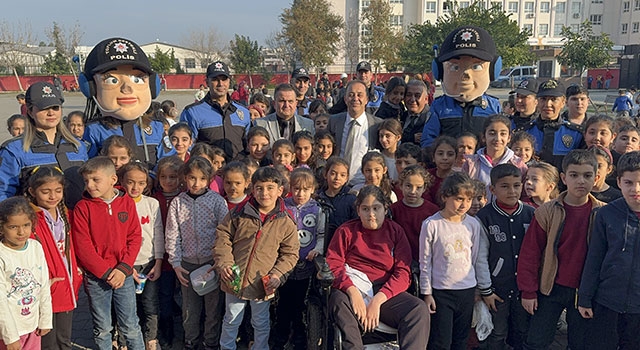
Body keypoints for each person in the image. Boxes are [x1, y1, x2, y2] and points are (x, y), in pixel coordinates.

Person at [516, 150, 605, 350]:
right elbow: (530, 253)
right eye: (574, 175)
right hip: (550, 287)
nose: (580, 181)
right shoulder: (546, 211)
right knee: (536, 340)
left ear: (596, 178)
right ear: (564, 178)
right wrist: (528, 291)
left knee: (580, 342)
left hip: (584, 291)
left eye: (587, 175)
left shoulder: (603, 213)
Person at [327, 185, 430, 350]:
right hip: (354, 287)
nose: (371, 214)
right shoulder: (346, 231)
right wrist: (352, 291)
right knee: (337, 299)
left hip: (384, 291)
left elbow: (403, 272)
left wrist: (378, 300)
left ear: (385, 208)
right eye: (365, 209)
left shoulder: (395, 231)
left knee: (418, 309)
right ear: (358, 210)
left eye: (376, 208)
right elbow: (333, 263)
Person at [213, 166, 299, 350]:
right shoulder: (239, 212)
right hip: (234, 277)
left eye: (270, 188)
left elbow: (290, 254)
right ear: (252, 189)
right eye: (259, 188)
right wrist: (225, 263)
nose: (264, 193)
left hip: (263, 282)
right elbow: (223, 236)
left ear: (280, 190)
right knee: (231, 319)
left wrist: (277, 275)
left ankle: (260, 347)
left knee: (260, 322)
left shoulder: (285, 221)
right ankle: (226, 347)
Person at [71, 156, 144, 350]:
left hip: (124, 275)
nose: (90, 185)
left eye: (96, 179)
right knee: (103, 328)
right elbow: (82, 246)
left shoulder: (126, 202)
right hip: (97, 278)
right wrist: (105, 272)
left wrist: (123, 268)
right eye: (86, 181)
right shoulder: (82, 208)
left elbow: (135, 237)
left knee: (130, 325)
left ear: (113, 180)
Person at [578, 151, 640, 350]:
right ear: (619, 181)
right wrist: (585, 298)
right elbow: (594, 258)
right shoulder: (606, 214)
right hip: (608, 301)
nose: (635, 189)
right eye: (629, 182)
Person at [165, 156, 228, 350]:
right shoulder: (177, 203)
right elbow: (172, 234)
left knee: (213, 308)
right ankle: (190, 341)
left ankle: (210, 341)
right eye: (192, 178)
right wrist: (176, 264)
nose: (196, 183)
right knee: (190, 309)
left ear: (210, 179)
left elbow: (224, 234)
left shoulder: (217, 202)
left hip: (211, 263)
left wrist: (219, 261)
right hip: (187, 264)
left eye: (202, 178)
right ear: (185, 177)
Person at [82, 38, 170, 168]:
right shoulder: (94, 130)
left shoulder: (156, 128)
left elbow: (169, 163)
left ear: (152, 85)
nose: (127, 88)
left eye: (137, 78)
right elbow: (87, 168)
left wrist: (152, 178)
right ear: (91, 88)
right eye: (112, 80)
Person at [0, 81, 88, 209]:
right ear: (30, 111)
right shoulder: (14, 149)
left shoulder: (78, 146)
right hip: (37, 223)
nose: (51, 113)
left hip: (78, 222)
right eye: (44, 108)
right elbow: (4, 193)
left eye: (55, 107)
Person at [419, 172, 482, 350]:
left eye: (469, 200)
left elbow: (474, 257)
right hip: (441, 292)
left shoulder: (473, 224)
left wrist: (476, 289)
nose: (464, 205)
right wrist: (427, 292)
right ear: (445, 196)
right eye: (459, 198)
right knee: (441, 341)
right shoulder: (431, 224)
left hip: (466, 291)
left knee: (461, 340)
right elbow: (425, 261)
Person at [475, 164, 534, 350]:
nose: (512, 191)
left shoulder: (530, 214)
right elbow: (480, 257)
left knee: (522, 330)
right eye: (505, 186)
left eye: (517, 185)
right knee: (497, 332)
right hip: (497, 289)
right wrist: (486, 289)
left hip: (524, 288)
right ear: (492, 189)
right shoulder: (484, 217)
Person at [26, 166, 82, 350]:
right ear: (32, 191)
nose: (53, 196)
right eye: (45, 192)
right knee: (48, 342)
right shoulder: (30, 219)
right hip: (45, 287)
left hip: (67, 285)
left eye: (58, 191)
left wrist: (77, 272)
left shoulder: (66, 214)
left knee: (64, 339)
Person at [421, 26, 502, 148]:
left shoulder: (493, 106)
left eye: (476, 67)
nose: (466, 75)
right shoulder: (439, 107)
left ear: (492, 70)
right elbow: (428, 141)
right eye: (455, 67)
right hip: (449, 165)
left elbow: (501, 141)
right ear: (440, 71)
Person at [273, 168, 325, 350]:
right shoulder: (282, 207)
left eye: (305, 189)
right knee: (283, 302)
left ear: (312, 190)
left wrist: (317, 250)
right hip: (284, 265)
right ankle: (280, 335)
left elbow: (321, 235)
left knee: (300, 303)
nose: (300, 194)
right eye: (296, 189)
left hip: (305, 266)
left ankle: (299, 336)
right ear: (290, 188)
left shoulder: (317, 210)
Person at [119, 163, 164, 349]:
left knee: (150, 304)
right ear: (121, 181)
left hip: (149, 263)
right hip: (125, 265)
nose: (135, 187)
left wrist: (159, 261)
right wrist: (125, 267)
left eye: (141, 183)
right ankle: (124, 341)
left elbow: (158, 232)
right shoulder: (117, 204)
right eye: (130, 182)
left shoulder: (151, 204)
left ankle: (151, 338)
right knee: (126, 307)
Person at [0, 197, 52, 350]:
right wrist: (10, 337)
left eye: (26, 225)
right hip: (9, 331)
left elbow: (43, 285)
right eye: (13, 227)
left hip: (32, 325)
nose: (21, 232)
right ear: (2, 228)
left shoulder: (36, 247)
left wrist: (45, 320)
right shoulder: (2, 254)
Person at [180, 60, 251, 160]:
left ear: (229, 81)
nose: (220, 84)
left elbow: (248, 146)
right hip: (208, 172)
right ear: (207, 82)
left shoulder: (243, 112)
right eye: (215, 79)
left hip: (237, 171)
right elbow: (187, 148)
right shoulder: (192, 112)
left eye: (224, 79)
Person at [151, 155, 182, 348]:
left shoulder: (184, 198)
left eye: (173, 177)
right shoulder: (154, 200)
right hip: (162, 256)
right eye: (164, 177)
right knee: (165, 294)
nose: (168, 181)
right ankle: (167, 328)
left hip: (183, 254)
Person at [328, 80, 383, 185]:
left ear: (366, 99)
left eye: (359, 95)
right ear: (345, 99)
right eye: (351, 95)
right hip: (337, 182)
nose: (355, 99)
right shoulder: (334, 121)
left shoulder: (376, 125)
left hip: (363, 183)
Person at [462, 115, 528, 202]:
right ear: (483, 137)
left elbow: (525, 195)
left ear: (509, 138)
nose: (497, 138)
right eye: (492, 133)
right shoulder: (471, 163)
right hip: (477, 213)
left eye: (503, 134)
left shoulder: (518, 165)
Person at [523, 79, 584, 172]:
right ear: (537, 101)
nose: (548, 104)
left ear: (563, 102)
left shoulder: (576, 134)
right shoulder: (525, 132)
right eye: (543, 99)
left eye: (553, 99)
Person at [390, 165, 439, 262]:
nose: (413, 191)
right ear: (401, 185)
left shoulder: (433, 211)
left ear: (424, 188)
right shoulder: (393, 210)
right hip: (400, 259)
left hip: (426, 260)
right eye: (408, 186)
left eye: (418, 187)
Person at [316, 156, 358, 229]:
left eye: (342, 175)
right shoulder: (317, 198)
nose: (337, 178)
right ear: (325, 174)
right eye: (333, 173)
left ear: (346, 178)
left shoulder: (351, 199)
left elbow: (355, 224)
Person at [427, 136, 458, 204]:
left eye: (450, 154)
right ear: (433, 157)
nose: (445, 158)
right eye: (440, 154)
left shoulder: (459, 179)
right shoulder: (425, 176)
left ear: (456, 158)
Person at [401, 79, 430, 145]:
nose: (412, 100)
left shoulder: (432, 118)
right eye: (409, 95)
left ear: (426, 99)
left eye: (417, 96)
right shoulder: (401, 116)